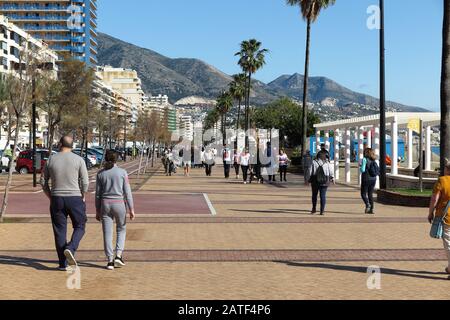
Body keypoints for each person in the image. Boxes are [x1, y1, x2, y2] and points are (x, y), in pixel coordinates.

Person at [42, 136, 89, 270]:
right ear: (72, 145)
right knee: (80, 225)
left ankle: (62, 263)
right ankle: (71, 247)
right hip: (75, 197)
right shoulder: (79, 160)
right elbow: (85, 182)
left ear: (60, 144)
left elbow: (43, 181)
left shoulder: (51, 159)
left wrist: (50, 196)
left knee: (59, 231)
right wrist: (83, 195)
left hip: (57, 198)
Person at [96, 150, 135, 270]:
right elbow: (127, 192)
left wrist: (97, 210)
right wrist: (131, 209)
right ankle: (118, 255)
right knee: (121, 229)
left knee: (107, 233)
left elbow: (98, 194)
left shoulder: (100, 173)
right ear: (117, 159)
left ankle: (109, 260)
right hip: (119, 204)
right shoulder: (122, 172)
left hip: (105, 204)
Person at [428, 162, 450, 274]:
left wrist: (430, 213)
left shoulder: (442, 181)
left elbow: (434, 199)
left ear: (447, 169)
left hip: (446, 217)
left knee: (448, 242)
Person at [308, 150, 335, 215]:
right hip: (325, 180)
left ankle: (314, 209)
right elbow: (331, 171)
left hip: (315, 180)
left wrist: (309, 179)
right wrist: (332, 178)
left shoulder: (314, 162)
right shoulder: (327, 163)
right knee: (323, 195)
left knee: (314, 195)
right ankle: (322, 211)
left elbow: (310, 171)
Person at [360, 148, 379, 214]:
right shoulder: (374, 160)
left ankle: (367, 204)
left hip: (366, 178)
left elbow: (362, 170)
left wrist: (360, 166)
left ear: (366, 153)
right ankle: (371, 209)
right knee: (370, 194)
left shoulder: (365, 159)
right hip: (373, 179)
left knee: (363, 194)